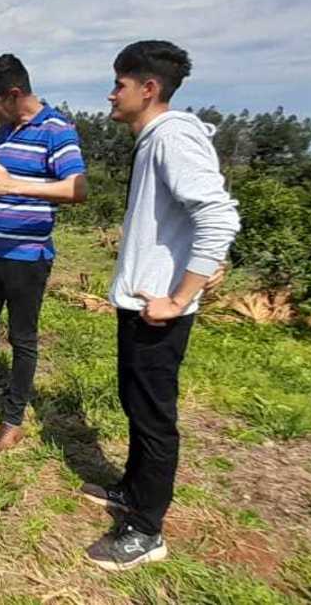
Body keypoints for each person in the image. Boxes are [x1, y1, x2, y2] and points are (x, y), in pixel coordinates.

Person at [82, 41, 239, 571]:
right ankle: (131, 490)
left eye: (119, 84)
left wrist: (180, 297)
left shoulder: (173, 138)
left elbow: (218, 218)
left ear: (148, 88)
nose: (111, 93)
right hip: (142, 304)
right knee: (136, 403)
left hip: (158, 311)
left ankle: (146, 531)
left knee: (154, 418)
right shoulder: (153, 140)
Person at [0, 54, 87, 452]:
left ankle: (12, 419)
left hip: (27, 257)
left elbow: (77, 190)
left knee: (22, 337)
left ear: (14, 94)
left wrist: (19, 185)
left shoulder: (56, 131)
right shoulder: (5, 132)